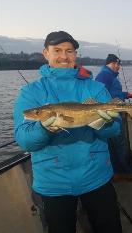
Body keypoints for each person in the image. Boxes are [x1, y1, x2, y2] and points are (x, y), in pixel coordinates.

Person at [13, 31, 122, 233]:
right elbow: (24, 140)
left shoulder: (95, 87)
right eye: (57, 50)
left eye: (69, 51)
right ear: (45, 53)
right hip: (53, 183)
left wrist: (105, 123)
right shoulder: (30, 93)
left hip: (96, 176)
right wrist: (43, 128)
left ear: (76, 54)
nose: (64, 56)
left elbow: (116, 129)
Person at [95, 54, 132, 181]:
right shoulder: (105, 75)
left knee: (117, 144)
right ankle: (124, 171)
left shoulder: (110, 75)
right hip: (111, 115)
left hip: (115, 113)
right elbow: (98, 94)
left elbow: (114, 93)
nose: (117, 66)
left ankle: (119, 169)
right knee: (118, 144)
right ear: (107, 64)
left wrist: (127, 95)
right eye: (114, 63)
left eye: (118, 64)